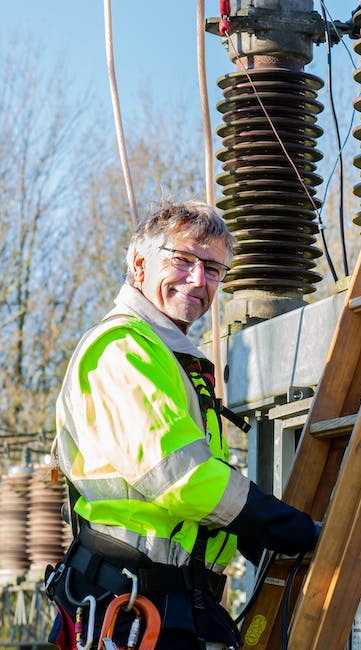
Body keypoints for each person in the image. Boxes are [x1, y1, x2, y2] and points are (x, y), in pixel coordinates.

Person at [46, 201, 319, 649]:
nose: (198, 280)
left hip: (169, 600)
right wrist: (283, 527)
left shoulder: (166, 356)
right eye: (183, 260)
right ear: (139, 264)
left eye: (212, 269)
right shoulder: (124, 351)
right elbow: (182, 479)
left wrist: (252, 534)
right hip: (132, 601)